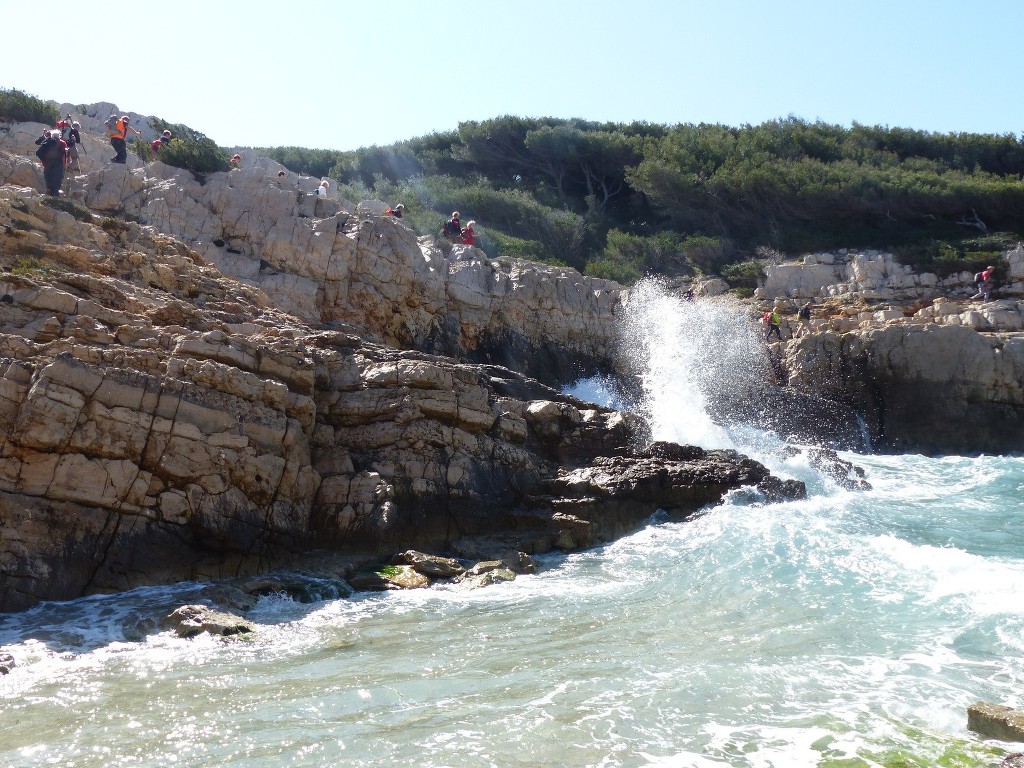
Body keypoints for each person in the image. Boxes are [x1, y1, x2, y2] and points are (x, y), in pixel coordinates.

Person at [34, 129, 67, 196]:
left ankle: (49, 190)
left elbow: (39, 151)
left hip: (48, 162)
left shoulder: (48, 141)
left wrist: (43, 159)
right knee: (57, 177)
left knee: (48, 176)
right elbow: (65, 153)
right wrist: (65, 163)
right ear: (59, 136)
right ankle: (55, 193)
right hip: (58, 162)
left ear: (52, 136)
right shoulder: (62, 143)